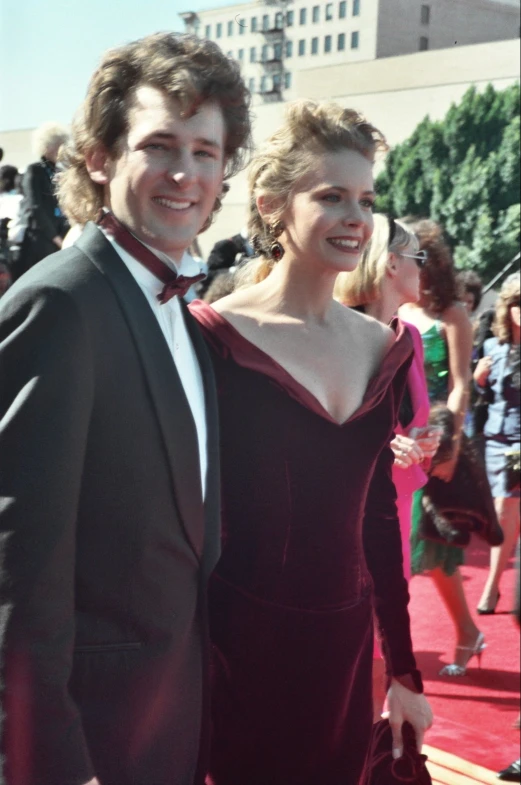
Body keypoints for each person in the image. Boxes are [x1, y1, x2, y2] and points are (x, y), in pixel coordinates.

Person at [0, 32, 251, 785]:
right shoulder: (61, 302)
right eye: (159, 145)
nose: (185, 173)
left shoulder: (185, 306)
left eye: (206, 152)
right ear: (101, 157)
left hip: (166, 729)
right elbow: (17, 575)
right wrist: (51, 763)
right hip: (89, 747)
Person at [191, 100, 432, 785]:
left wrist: (406, 671)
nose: (357, 217)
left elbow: (378, 521)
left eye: (365, 197)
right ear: (271, 204)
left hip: (344, 653)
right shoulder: (210, 338)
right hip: (231, 652)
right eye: (330, 195)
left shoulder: (382, 349)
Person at [335, 213, 441, 719]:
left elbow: (409, 419)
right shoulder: (338, 335)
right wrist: (385, 446)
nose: (426, 268)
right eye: (418, 257)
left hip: (399, 502)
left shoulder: (412, 339)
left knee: (388, 626)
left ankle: (370, 745)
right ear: (391, 263)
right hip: (346, 507)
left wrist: (423, 439)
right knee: (353, 625)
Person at [400, 220, 484, 677]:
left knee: (430, 546)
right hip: (396, 439)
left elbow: (460, 383)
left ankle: (466, 631)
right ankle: (465, 632)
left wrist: (448, 443)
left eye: (416, 255)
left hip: (437, 441)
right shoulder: (393, 306)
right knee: (410, 548)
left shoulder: (452, 313)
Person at [474, 275, 520, 614]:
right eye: (518, 302)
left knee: (507, 508)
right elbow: (481, 398)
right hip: (495, 438)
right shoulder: (491, 348)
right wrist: (478, 380)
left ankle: (492, 588)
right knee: (503, 510)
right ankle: (495, 585)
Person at [12, 123, 70, 281]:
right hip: (40, 238)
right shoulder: (34, 170)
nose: (61, 150)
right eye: (57, 145)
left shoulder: (59, 170)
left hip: (59, 235)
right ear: (46, 147)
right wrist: (55, 237)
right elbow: (35, 206)